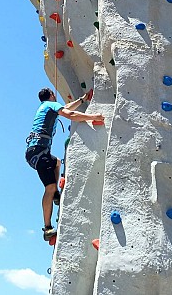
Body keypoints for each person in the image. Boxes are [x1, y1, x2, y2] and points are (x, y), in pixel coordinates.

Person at [25, 87, 105, 241]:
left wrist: (82, 100)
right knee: (49, 187)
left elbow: (67, 108)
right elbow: (70, 114)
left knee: (56, 163)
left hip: (37, 152)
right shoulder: (50, 105)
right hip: (39, 151)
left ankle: (55, 195)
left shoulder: (46, 107)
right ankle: (47, 228)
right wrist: (93, 116)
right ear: (52, 95)